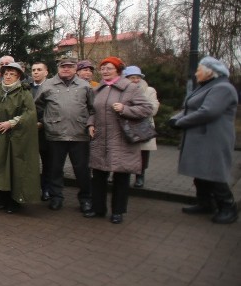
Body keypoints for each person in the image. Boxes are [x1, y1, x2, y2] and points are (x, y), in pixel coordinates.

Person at [83, 57, 153, 224]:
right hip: (100, 138)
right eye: (103, 68)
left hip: (121, 139)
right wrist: (90, 124)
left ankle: (118, 211)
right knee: (98, 175)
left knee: (121, 176)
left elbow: (146, 109)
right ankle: (98, 208)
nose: (105, 71)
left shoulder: (130, 88)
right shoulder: (97, 89)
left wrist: (125, 109)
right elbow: (92, 110)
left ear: (118, 70)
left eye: (109, 68)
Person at [170, 57, 238, 224]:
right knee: (200, 172)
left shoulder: (223, 88)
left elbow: (208, 112)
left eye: (199, 69)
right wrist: (175, 118)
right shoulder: (207, 86)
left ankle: (228, 207)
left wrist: (180, 122)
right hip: (201, 137)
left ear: (210, 72)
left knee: (214, 172)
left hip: (214, 138)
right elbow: (190, 107)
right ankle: (205, 203)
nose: (196, 73)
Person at [0, 62, 40, 213]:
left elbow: (29, 114)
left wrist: (11, 123)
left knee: (14, 168)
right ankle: (1, 197)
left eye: (12, 74)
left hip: (15, 138)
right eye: (6, 74)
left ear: (18, 76)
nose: (8, 76)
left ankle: (14, 200)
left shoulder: (24, 92)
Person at [34, 59, 95, 213]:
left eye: (70, 67)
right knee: (55, 169)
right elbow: (36, 106)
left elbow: (93, 109)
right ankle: (56, 197)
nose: (66, 69)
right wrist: (44, 121)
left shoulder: (84, 85)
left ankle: (85, 199)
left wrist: (91, 124)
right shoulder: (47, 85)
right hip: (55, 134)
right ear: (58, 68)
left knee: (82, 170)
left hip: (79, 134)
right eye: (63, 67)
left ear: (76, 69)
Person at [121, 66, 159, 188]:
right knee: (124, 153)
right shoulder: (120, 90)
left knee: (143, 153)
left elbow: (152, 109)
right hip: (125, 127)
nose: (136, 80)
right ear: (126, 78)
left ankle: (140, 176)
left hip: (142, 127)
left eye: (138, 77)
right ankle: (122, 175)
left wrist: (128, 110)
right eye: (132, 77)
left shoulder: (149, 91)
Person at [29, 62, 51, 200]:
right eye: (33, 70)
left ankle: (46, 189)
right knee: (30, 163)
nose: (36, 72)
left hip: (46, 132)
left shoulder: (52, 87)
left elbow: (54, 108)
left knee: (48, 163)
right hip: (29, 131)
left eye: (39, 70)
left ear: (46, 72)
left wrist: (42, 123)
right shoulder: (26, 88)